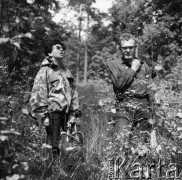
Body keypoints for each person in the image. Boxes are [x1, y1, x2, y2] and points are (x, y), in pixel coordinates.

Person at [30, 39, 81, 157]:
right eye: (58, 48)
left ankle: (69, 171)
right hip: (53, 114)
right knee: (54, 147)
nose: (62, 49)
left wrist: (74, 112)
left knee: (71, 145)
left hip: (67, 113)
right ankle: (53, 172)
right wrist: (43, 116)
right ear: (50, 53)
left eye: (62, 48)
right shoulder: (45, 71)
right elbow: (38, 93)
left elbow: (73, 92)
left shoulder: (65, 71)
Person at [107, 33, 153, 140]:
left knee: (142, 145)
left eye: (130, 47)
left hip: (143, 107)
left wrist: (152, 116)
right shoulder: (114, 64)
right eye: (125, 48)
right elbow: (119, 84)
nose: (128, 50)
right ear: (120, 49)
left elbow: (150, 90)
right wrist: (133, 69)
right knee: (121, 143)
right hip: (124, 106)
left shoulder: (144, 65)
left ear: (135, 48)